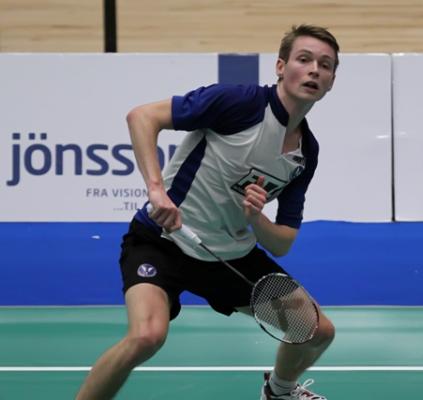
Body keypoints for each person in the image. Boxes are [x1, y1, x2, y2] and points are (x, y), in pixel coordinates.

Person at [76, 24, 340, 400]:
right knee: (146, 336)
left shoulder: (305, 153)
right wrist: (156, 190)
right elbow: (142, 117)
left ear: (331, 81)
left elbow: (282, 243)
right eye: (304, 59)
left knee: (316, 331)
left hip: (228, 258)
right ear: (281, 67)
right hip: (164, 240)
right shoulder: (239, 103)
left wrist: (256, 218)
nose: (314, 70)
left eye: (325, 65)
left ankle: (279, 392)